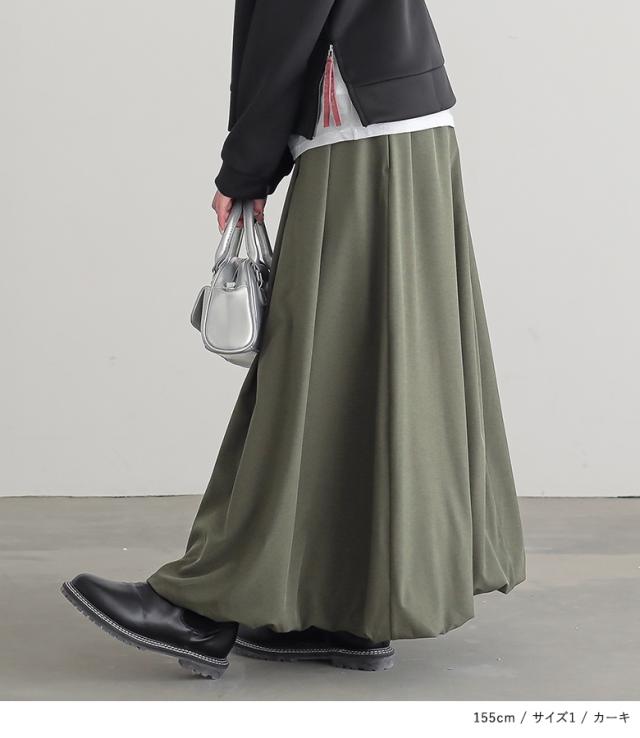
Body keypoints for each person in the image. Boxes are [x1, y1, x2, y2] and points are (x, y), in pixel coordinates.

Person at [62, 0, 526, 680]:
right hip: (396, 123)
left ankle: (204, 609)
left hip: (359, 130)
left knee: (305, 379)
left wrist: (245, 170)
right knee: (358, 369)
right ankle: (341, 612)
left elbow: (286, 25)